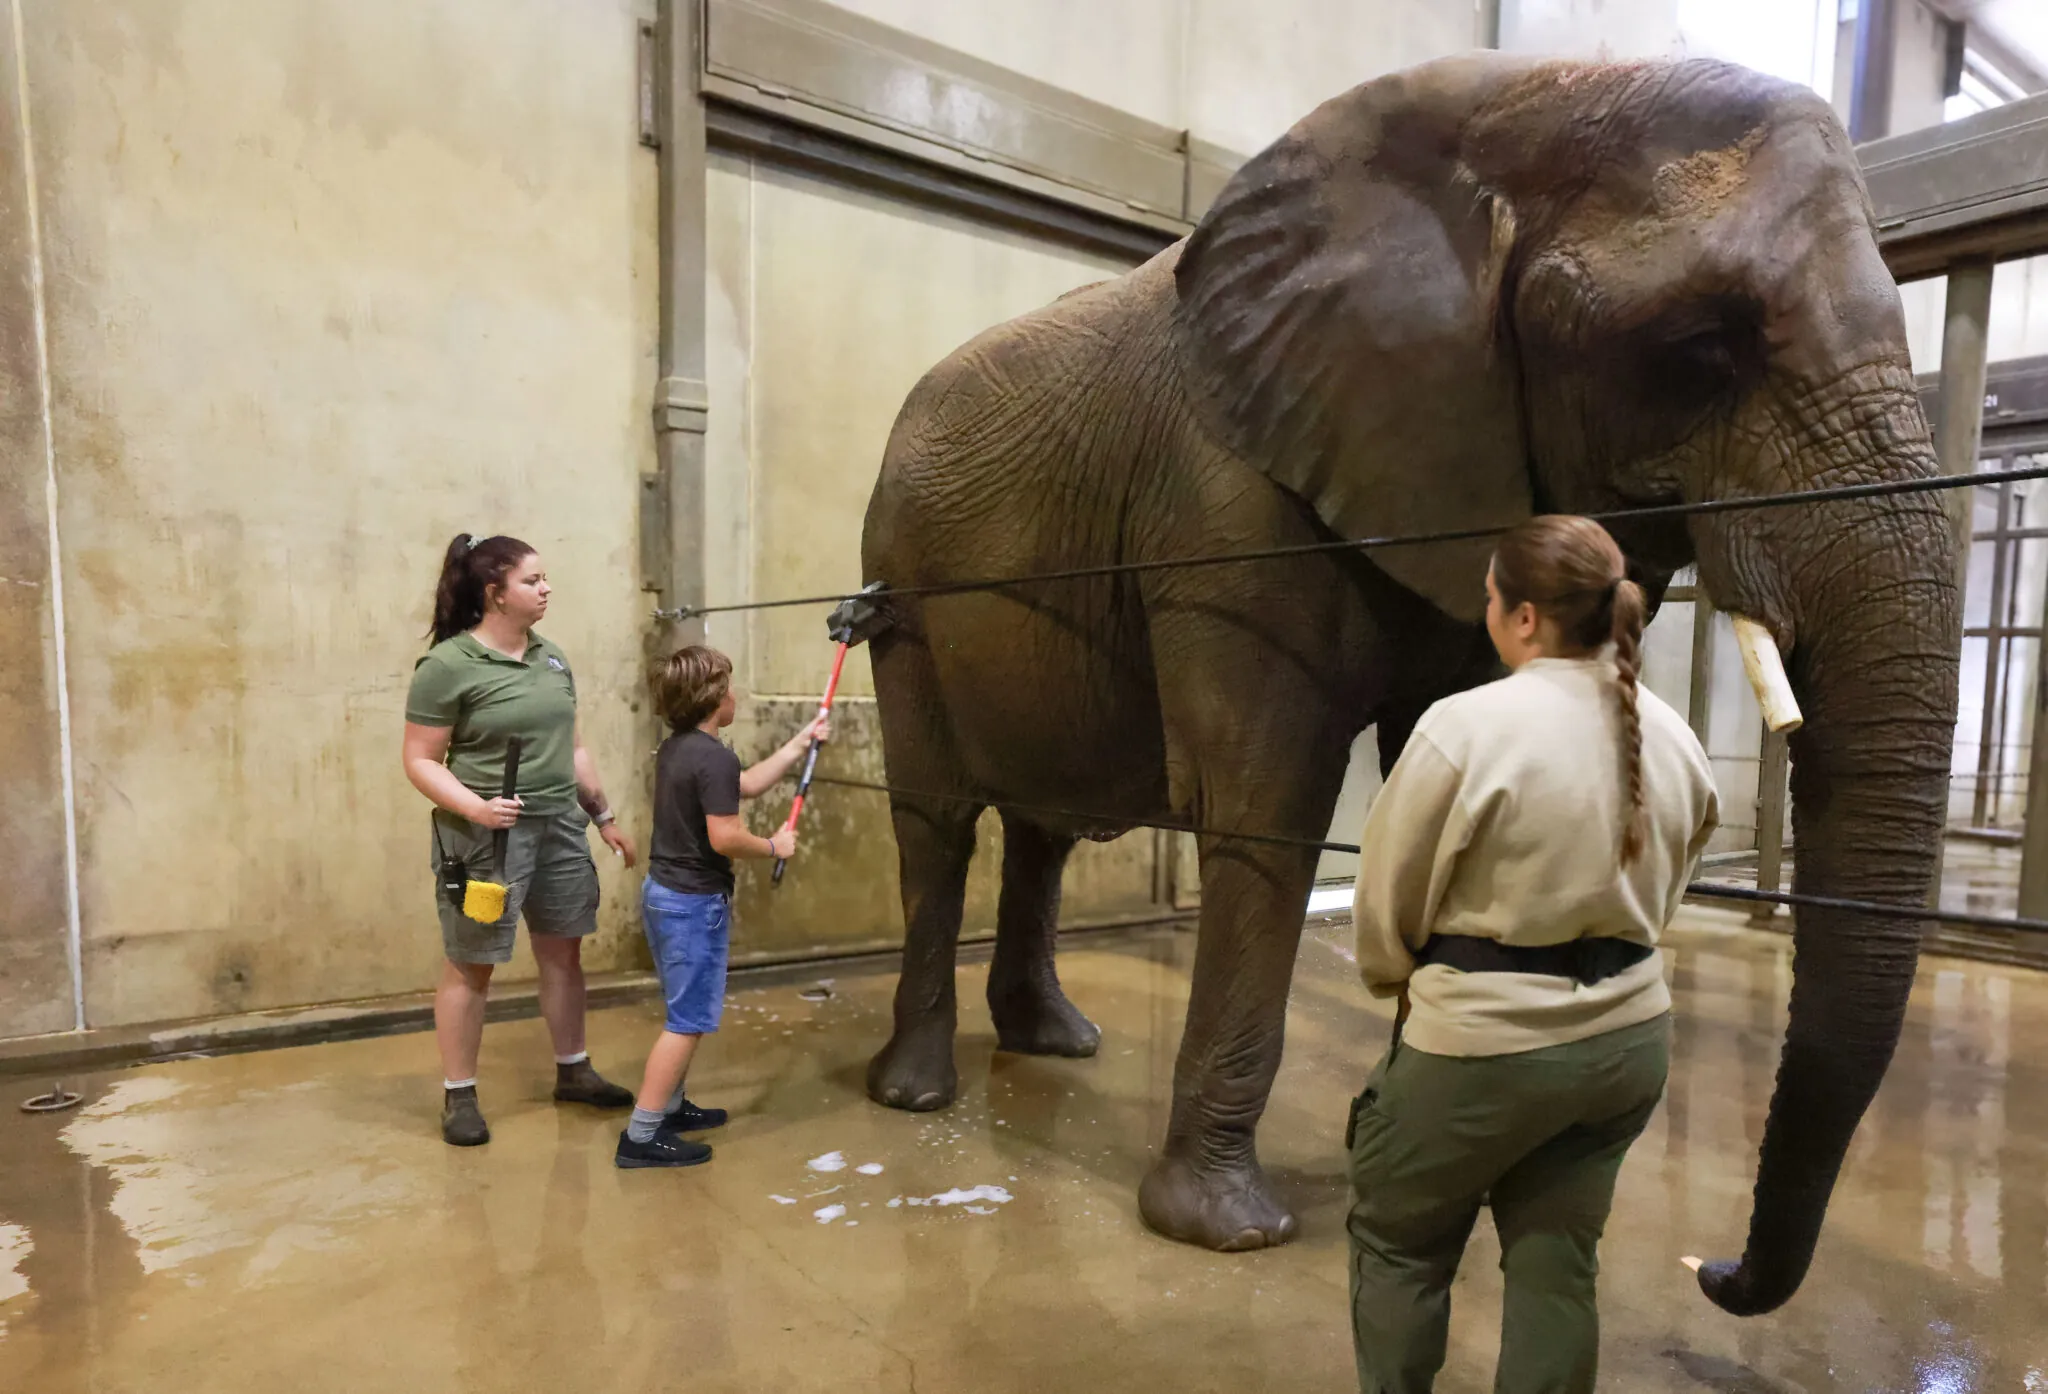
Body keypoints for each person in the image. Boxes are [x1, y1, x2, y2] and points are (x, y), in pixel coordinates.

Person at [1346, 516, 1720, 1393]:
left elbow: (1386, 902)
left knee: (1401, 1244)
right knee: (1559, 1264)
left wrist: (1398, 979)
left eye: (1488, 598)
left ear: (1521, 618)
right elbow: (1667, 896)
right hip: (1625, 1043)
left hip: (1479, 1049)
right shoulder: (1672, 734)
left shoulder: (1464, 727)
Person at [402, 533, 641, 1147]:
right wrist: (477, 810)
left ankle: (574, 1071)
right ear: (494, 594)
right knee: (471, 963)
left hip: (560, 825)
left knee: (563, 952)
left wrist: (604, 816)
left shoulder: (552, 658)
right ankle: (459, 1095)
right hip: (486, 842)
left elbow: (576, 747)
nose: (546, 588)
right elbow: (420, 761)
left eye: (544, 579)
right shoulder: (447, 666)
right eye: (533, 581)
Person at [615, 644, 829, 1169]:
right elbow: (727, 836)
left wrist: (802, 742)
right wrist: (774, 847)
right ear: (715, 699)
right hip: (693, 905)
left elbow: (748, 784)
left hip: (663, 895)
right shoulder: (713, 757)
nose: (734, 694)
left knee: (679, 1010)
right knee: (687, 1021)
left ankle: (672, 1107)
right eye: (729, 686)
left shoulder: (680, 750)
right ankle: (642, 1135)